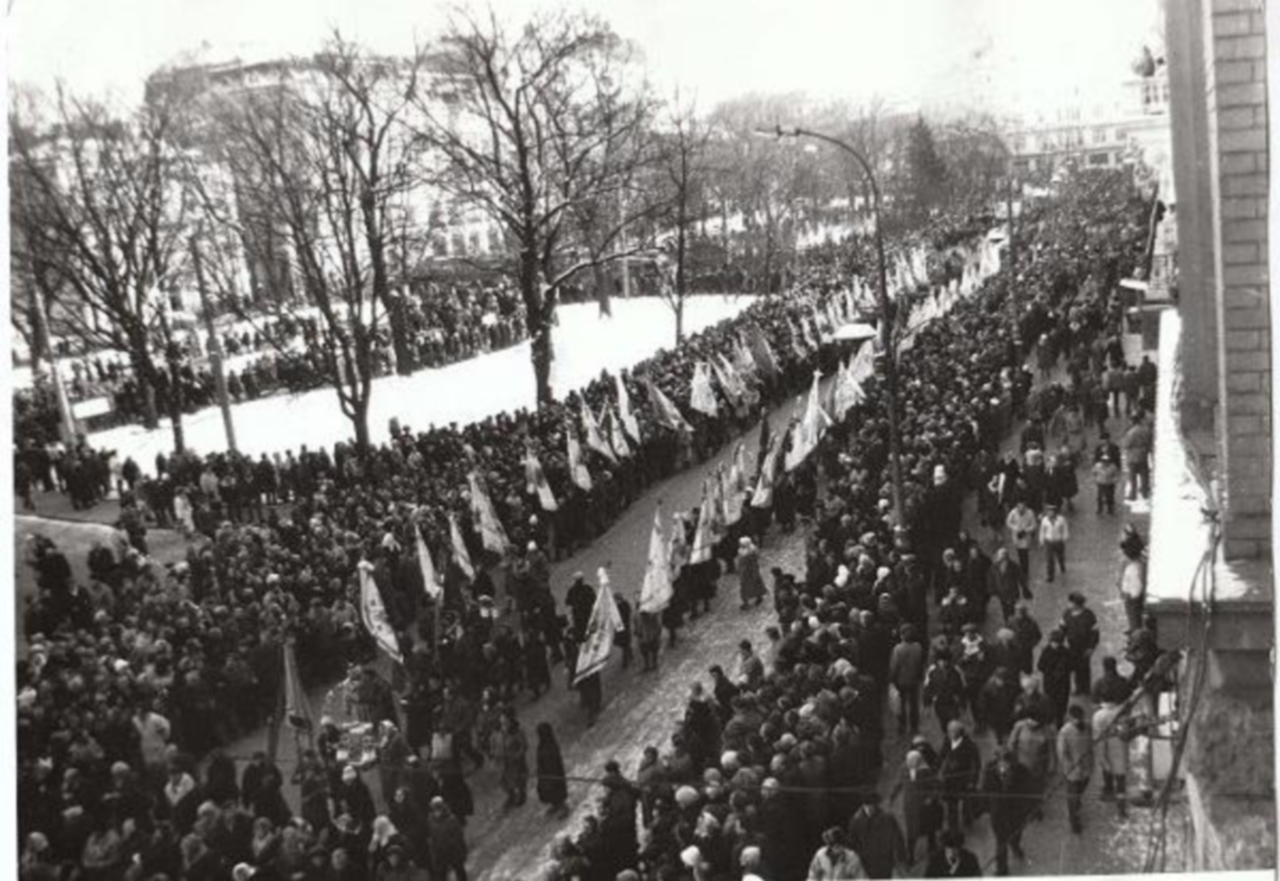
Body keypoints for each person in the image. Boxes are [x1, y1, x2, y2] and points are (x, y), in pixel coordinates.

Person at [980, 747, 1034, 876]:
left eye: (1007, 762)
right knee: (1000, 841)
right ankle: (1002, 869)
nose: (1004, 764)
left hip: (1016, 812)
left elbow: (1030, 791)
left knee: (1016, 833)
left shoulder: (1022, 771)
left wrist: (1029, 810)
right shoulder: (989, 769)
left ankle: (1015, 845)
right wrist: (986, 807)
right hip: (998, 813)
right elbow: (985, 789)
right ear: (997, 760)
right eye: (1001, 761)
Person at [847, 791, 905, 879]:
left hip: (884, 864)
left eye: (872, 805)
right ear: (863, 805)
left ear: (876, 805)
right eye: (867, 805)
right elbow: (852, 843)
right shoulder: (856, 822)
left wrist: (900, 856)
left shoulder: (887, 819)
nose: (870, 808)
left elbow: (898, 838)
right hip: (865, 864)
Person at [937, 721, 981, 833]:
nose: (950, 734)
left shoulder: (969, 745)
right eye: (949, 731)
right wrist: (938, 769)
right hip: (950, 779)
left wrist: (973, 780)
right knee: (952, 805)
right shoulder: (947, 741)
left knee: (966, 801)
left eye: (953, 731)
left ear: (960, 732)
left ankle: (967, 818)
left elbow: (976, 764)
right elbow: (942, 755)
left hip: (964, 779)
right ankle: (954, 828)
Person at [1057, 704, 1094, 834]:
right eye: (1075, 718)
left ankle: (1077, 802)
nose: (1078, 720)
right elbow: (1062, 753)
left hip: (1087, 768)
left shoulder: (1088, 727)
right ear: (1070, 718)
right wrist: (1071, 767)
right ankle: (1074, 821)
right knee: (1072, 796)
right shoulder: (1065, 731)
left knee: (1081, 789)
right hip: (1073, 771)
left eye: (1080, 717)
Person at [1093, 700, 1130, 819]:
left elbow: (1098, 737)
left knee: (1107, 772)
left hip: (1107, 751)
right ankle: (1121, 809)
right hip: (1121, 753)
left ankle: (1108, 792)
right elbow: (1126, 733)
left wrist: (1101, 755)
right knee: (1121, 782)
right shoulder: (1122, 714)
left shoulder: (1098, 716)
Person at [1061, 592, 1100, 696]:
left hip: (1085, 647)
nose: (1068, 605)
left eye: (1070, 603)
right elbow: (1062, 628)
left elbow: (1095, 633)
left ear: (1077, 604)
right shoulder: (1066, 614)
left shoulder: (1089, 615)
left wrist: (1091, 647)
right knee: (1076, 667)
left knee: (1084, 667)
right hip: (1072, 646)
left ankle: (1086, 688)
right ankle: (1078, 687)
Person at [888, 624, 925, 735]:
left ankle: (902, 725)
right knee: (914, 704)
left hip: (900, 680)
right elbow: (920, 663)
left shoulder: (898, 649)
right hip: (914, 680)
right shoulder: (918, 647)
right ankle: (914, 726)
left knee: (901, 704)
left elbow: (894, 666)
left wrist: (891, 679)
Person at [536, 722, 569, 818]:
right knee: (548, 791)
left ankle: (562, 806)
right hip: (545, 773)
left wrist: (552, 774)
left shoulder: (552, 746)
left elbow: (555, 762)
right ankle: (554, 805)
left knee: (557, 790)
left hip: (554, 773)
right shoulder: (541, 746)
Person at [1118, 525, 1147, 632]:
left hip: (1132, 596)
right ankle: (1132, 628)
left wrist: (1130, 594)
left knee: (1134, 616)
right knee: (1131, 615)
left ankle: (1135, 632)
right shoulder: (1134, 565)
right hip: (1130, 595)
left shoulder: (1134, 567)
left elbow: (1136, 584)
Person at [499, 713, 529, 810]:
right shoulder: (503, 732)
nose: (503, 725)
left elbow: (524, 746)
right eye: (502, 723)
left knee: (519, 779)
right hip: (506, 761)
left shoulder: (518, 731)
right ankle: (511, 796)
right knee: (505, 780)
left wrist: (517, 756)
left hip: (516, 761)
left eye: (505, 722)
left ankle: (521, 794)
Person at [1005, 501, 1037, 589]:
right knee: (1020, 554)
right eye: (1019, 507)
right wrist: (1015, 528)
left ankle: (1025, 572)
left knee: (1025, 555)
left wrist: (1026, 530)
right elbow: (1008, 523)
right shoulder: (1013, 513)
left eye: (1023, 507)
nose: (1021, 509)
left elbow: (1034, 525)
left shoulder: (1030, 513)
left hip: (1026, 537)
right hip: (1016, 537)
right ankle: (1022, 569)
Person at [1122, 414, 1153, 500]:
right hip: (1143, 454)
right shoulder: (1147, 430)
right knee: (1144, 474)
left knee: (1132, 477)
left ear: (1132, 421)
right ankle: (1145, 492)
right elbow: (1150, 442)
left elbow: (1126, 445)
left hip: (1132, 456)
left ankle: (1133, 494)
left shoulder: (1130, 432)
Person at [1038, 504, 1069, 583]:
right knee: (1049, 559)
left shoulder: (1061, 520)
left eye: (1052, 512)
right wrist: (1041, 541)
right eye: (1048, 512)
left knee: (1060, 556)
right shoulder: (1045, 520)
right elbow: (1042, 531)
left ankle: (1062, 564)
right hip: (1049, 542)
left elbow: (1065, 529)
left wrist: (1064, 538)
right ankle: (1050, 575)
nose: (1050, 513)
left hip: (1058, 541)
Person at [736, 536, 767, 609]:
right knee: (752, 585)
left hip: (748, 572)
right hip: (748, 571)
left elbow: (750, 564)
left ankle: (747, 602)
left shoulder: (749, 553)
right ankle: (756, 597)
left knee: (747, 587)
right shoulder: (746, 550)